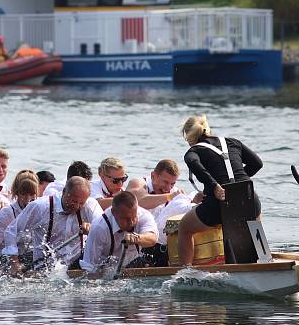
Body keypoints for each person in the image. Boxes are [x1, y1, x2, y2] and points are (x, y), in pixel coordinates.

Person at [177, 115, 263, 266]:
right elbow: (257, 163)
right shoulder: (233, 142)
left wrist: (215, 185)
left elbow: (192, 162)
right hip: (248, 198)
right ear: (207, 128)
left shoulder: (193, 151)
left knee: (184, 227)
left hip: (218, 204)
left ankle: (186, 271)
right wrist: (237, 183)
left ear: (188, 137)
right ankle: (263, 257)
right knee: (255, 213)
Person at [5, 176, 102, 274]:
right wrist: (14, 263)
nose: (77, 206)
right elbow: (11, 231)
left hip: (77, 263)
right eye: (73, 201)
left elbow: (103, 226)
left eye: (81, 203)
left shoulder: (90, 204)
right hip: (46, 266)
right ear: (64, 192)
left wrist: (92, 228)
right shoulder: (40, 207)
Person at [81, 191, 158, 277]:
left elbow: (152, 238)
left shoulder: (144, 215)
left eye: (134, 216)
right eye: (126, 219)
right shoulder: (99, 227)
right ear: (113, 212)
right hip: (104, 267)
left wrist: (137, 238)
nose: (131, 222)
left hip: (133, 262)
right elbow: (89, 267)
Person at [0, 170, 39, 269]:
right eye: (23, 194)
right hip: (6, 259)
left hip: (28, 257)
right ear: (16, 192)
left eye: (32, 194)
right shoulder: (7, 212)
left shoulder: (40, 210)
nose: (28, 199)